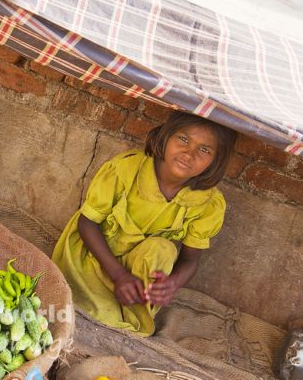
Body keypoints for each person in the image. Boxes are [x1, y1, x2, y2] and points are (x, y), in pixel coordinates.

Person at [52, 111, 237, 337]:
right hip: (94, 259)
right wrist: (118, 274)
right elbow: (87, 223)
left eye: (204, 150)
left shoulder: (209, 203)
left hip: (138, 274)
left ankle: (133, 314)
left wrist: (171, 284)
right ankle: (105, 305)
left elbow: (190, 258)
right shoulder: (126, 169)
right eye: (184, 139)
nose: (189, 153)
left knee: (163, 249)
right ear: (166, 136)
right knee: (68, 303)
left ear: (215, 161)